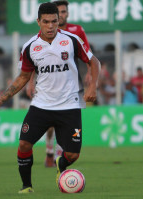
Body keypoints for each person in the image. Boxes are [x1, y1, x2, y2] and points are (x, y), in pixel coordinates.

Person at [0, 2, 100, 194]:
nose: (50, 26)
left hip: (69, 105)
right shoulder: (30, 46)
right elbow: (23, 76)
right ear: (38, 22)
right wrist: (2, 98)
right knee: (23, 144)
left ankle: (60, 163)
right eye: (46, 22)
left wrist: (93, 85)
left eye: (54, 21)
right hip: (41, 105)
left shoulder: (71, 40)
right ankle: (26, 186)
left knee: (72, 154)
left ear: (59, 20)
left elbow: (93, 61)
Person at [27, 0, 92, 167]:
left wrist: (90, 74)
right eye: (59, 12)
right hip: (48, 88)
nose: (61, 15)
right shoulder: (44, 34)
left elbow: (89, 55)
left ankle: (58, 155)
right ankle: (49, 151)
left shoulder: (76, 31)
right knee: (49, 127)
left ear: (66, 14)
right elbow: (37, 60)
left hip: (71, 86)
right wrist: (31, 82)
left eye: (63, 12)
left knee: (64, 128)